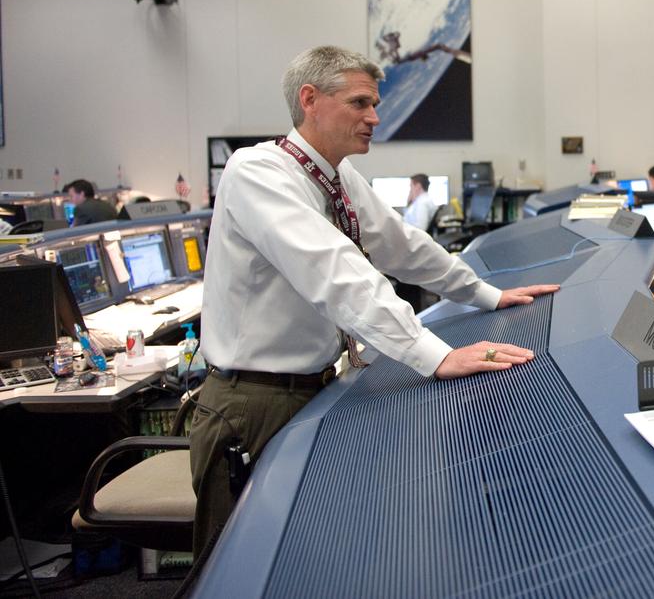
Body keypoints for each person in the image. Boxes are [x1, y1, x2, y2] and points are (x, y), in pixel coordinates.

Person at [189, 46, 557, 554]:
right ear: (310, 100)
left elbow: (404, 246)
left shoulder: (337, 179)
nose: (375, 117)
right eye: (360, 103)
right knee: (241, 563)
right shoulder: (257, 172)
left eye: (375, 103)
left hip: (313, 389)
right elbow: (335, 271)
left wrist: (487, 295)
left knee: (305, 553)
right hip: (252, 404)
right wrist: (437, 355)